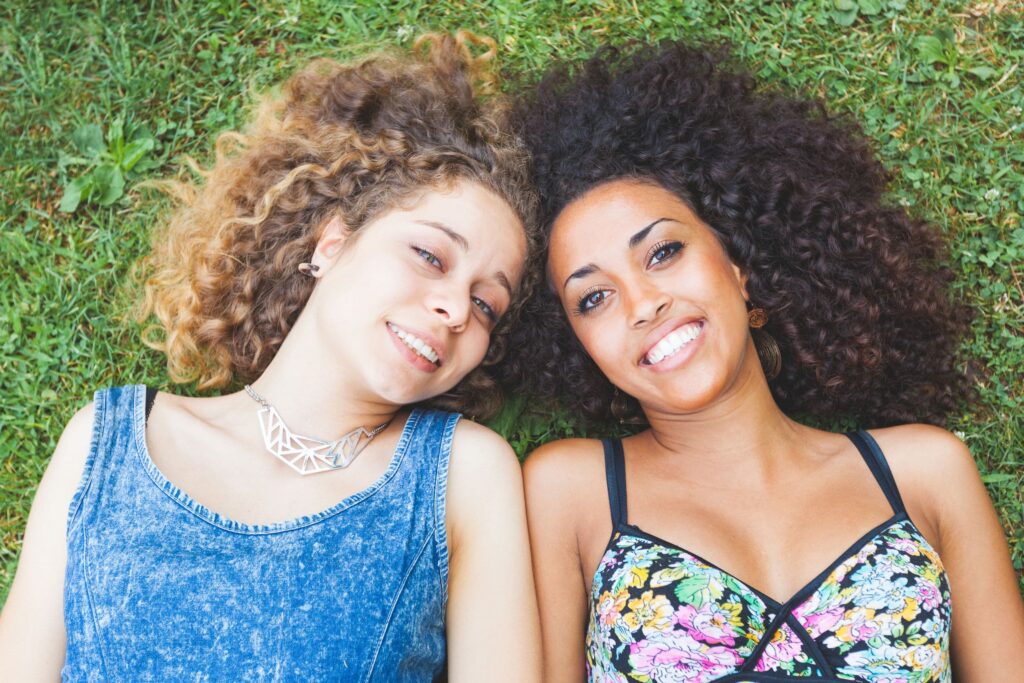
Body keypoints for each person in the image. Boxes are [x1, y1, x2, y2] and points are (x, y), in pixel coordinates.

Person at [0, 32, 542, 681]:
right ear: (333, 242)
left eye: (487, 304)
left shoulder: (462, 475)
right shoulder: (107, 440)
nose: (456, 308)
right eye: (430, 256)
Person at [503, 42, 1024, 681]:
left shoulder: (925, 471)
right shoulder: (570, 490)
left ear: (741, 269)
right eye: (594, 297)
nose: (643, 304)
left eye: (662, 253)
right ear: (576, 344)